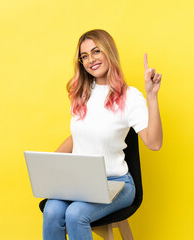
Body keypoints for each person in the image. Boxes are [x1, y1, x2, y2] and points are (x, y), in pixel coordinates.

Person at [42, 29, 163, 240]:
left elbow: (154, 143)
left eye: (96, 51)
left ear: (109, 52)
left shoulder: (130, 97)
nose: (91, 60)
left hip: (117, 183)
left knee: (76, 213)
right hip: (81, 182)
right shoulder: (81, 93)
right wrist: (48, 163)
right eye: (85, 56)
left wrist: (151, 97)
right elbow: (77, 137)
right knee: (52, 209)